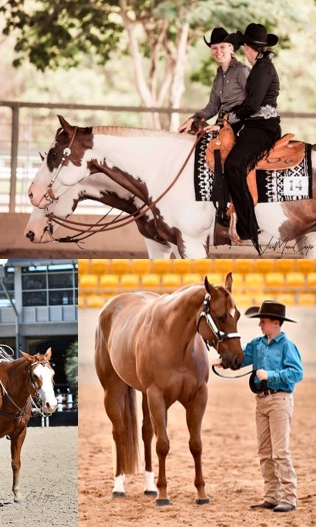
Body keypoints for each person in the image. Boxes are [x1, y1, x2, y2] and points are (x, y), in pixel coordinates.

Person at [212, 301, 303, 513]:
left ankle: (289, 497)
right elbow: (242, 357)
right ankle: (271, 496)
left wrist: (271, 375)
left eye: (263, 322)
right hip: (261, 401)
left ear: (276, 323)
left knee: (280, 452)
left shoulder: (287, 346)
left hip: (280, 400)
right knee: (264, 452)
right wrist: (224, 362)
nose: (260, 325)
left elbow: (297, 373)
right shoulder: (258, 344)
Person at [177, 27, 250, 245]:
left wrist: (226, 125)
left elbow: (250, 104)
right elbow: (213, 105)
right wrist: (195, 117)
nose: (218, 51)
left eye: (222, 47)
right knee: (197, 149)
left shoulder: (243, 71)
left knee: (227, 158)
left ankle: (229, 211)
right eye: (214, 48)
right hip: (221, 124)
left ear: (231, 49)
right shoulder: (219, 75)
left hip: (239, 123)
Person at [223, 23, 282, 253]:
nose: (243, 51)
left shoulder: (263, 68)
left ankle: (249, 226)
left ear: (250, 48)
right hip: (255, 125)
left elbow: (252, 105)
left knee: (234, 165)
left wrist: (232, 116)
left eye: (243, 47)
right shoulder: (261, 66)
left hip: (263, 127)